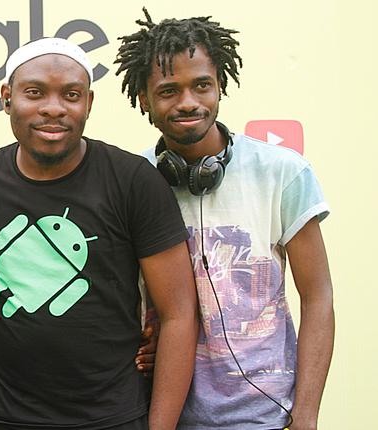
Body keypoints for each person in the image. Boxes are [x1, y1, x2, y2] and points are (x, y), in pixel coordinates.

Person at [0, 37, 198, 430]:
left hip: (112, 416)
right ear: (7, 98)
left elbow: (178, 314)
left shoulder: (133, 181)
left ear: (88, 103)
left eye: (70, 95)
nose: (53, 109)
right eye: (34, 93)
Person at [115, 9, 335, 430]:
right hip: (160, 414)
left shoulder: (282, 172)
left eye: (202, 85)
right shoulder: (132, 181)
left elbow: (318, 295)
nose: (188, 103)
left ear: (220, 86)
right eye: (168, 91)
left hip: (267, 415)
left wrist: (306, 414)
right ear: (143, 99)